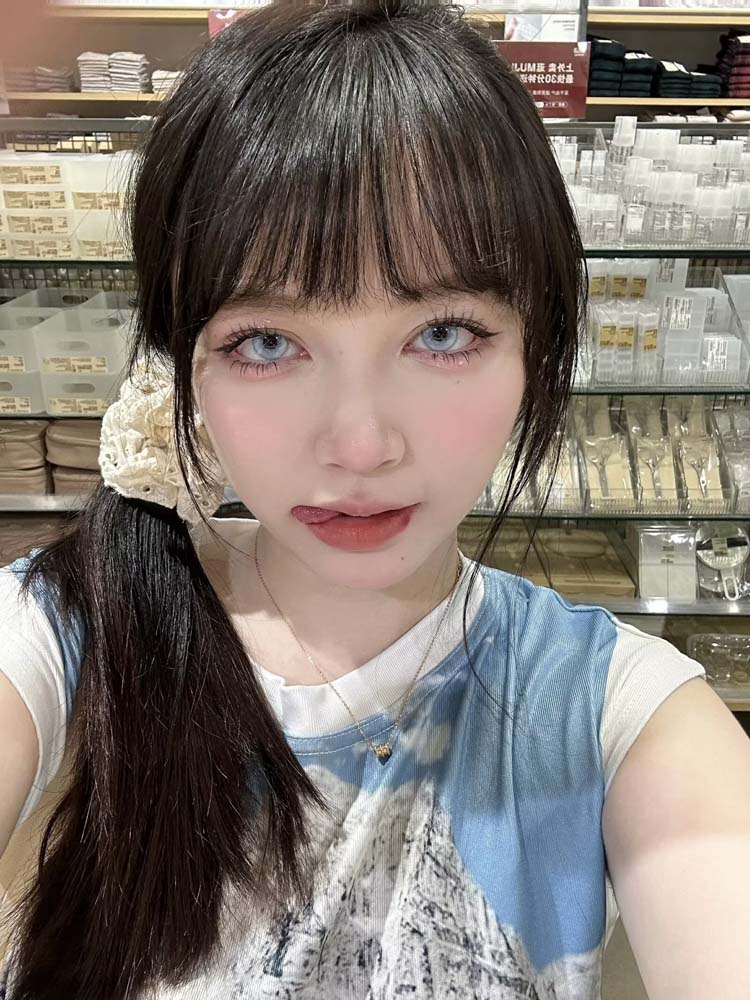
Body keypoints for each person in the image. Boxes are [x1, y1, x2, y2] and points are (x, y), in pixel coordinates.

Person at [1, 0, 749, 997]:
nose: (361, 445)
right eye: (267, 342)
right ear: (184, 364)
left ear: (537, 348)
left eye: (443, 333)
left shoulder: (620, 714)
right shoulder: (65, 631)